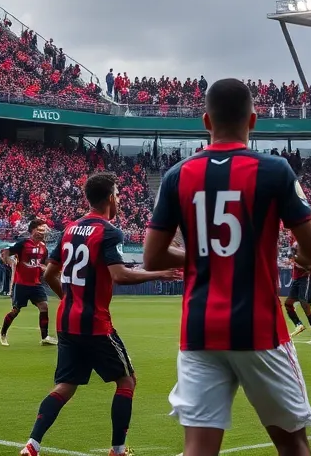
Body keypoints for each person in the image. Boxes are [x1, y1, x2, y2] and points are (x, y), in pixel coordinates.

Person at [143, 77, 311, 456]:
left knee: (199, 448)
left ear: (206, 122)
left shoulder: (177, 175)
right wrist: (302, 259)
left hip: (199, 329)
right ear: (253, 121)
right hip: (259, 328)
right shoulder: (275, 170)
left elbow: (152, 257)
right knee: (293, 443)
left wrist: (201, 256)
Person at [19, 172, 180, 456]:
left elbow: (48, 274)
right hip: (94, 323)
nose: (118, 200)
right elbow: (119, 275)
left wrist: (68, 298)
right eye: (117, 195)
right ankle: (118, 450)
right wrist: (159, 273)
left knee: (66, 385)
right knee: (127, 381)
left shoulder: (70, 229)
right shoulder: (108, 231)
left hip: (67, 320)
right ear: (109, 198)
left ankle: (31, 445)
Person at [0, 219, 55, 346]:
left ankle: (45, 337)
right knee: (15, 311)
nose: (41, 233)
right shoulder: (23, 243)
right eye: (39, 230)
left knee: (44, 307)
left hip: (36, 284)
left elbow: (44, 263)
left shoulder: (43, 247)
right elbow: (6, 252)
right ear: (32, 230)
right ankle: (2, 333)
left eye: (43, 230)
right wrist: (9, 261)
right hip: (21, 283)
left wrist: (46, 268)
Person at [284, 240, 311, 344]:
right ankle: (298, 325)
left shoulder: (308, 247)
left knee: (305, 306)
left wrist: (296, 262)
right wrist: (292, 259)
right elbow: (290, 256)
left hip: (306, 279)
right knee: (288, 304)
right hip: (297, 279)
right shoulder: (295, 244)